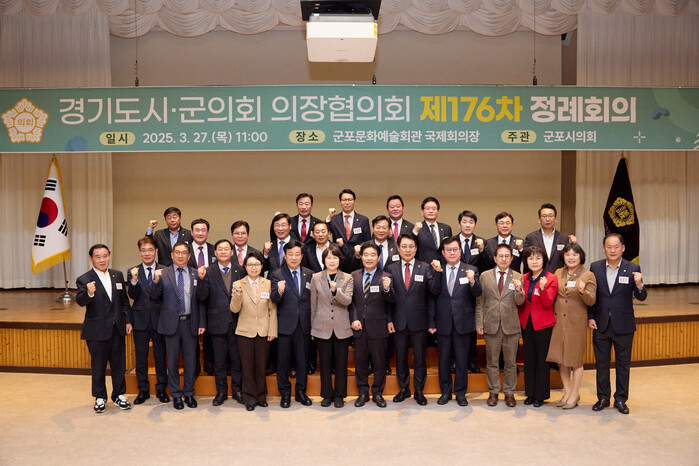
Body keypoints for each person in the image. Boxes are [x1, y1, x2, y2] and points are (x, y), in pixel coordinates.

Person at [588, 233, 647, 414]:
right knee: (601, 364)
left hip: (624, 324)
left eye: (616, 246)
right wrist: (590, 317)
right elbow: (592, 295)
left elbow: (641, 297)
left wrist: (639, 284)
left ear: (623, 248)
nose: (612, 250)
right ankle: (603, 398)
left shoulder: (633, 268)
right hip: (600, 324)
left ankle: (621, 399)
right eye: (609, 246)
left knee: (623, 366)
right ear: (603, 248)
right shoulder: (595, 267)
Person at [384, 233, 442, 405]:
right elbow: (388, 299)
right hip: (399, 320)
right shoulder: (391, 268)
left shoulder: (425, 267)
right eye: (404, 246)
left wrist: (438, 273)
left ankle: (418, 390)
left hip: (419, 321)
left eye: (411, 246)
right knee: (401, 357)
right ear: (398, 248)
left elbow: (434, 292)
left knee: (419, 358)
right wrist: (389, 319)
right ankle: (404, 389)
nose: (407, 250)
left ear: (416, 248)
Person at [76, 244, 132, 413]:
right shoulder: (84, 279)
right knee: (98, 366)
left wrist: (128, 321)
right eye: (98, 257)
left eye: (105, 256)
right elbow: (80, 301)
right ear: (91, 258)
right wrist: (89, 293)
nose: (102, 260)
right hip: (97, 330)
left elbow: (124, 301)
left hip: (117, 328)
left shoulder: (117, 275)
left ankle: (119, 395)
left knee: (119, 364)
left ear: (109, 256)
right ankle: (100, 397)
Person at [150, 241, 205, 410]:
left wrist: (201, 322)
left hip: (190, 323)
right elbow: (154, 296)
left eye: (184, 253)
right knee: (172, 361)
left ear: (189, 256)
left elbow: (201, 300)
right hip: (170, 324)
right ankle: (176, 395)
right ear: (172, 255)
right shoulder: (163, 273)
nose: (180, 256)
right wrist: (155, 281)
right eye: (177, 253)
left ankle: (188, 393)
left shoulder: (195, 273)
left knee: (190, 361)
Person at [429, 236, 480, 406]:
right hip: (443, 321)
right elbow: (433, 293)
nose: (452, 253)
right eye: (448, 250)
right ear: (443, 253)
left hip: (463, 321)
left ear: (460, 251)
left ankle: (460, 393)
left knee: (461, 359)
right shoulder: (437, 269)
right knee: (443, 359)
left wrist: (472, 282)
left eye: (455, 249)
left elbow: (477, 294)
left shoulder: (471, 269)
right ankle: (445, 392)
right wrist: (437, 274)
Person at [546, 243, 597, 409]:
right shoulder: (558, 272)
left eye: (575, 255)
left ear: (581, 256)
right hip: (559, 320)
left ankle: (575, 394)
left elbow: (592, 300)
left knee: (575, 360)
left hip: (577, 321)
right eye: (568, 255)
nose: (571, 258)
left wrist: (583, 291)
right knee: (561, 359)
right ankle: (567, 392)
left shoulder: (588, 275)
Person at [196, 239, 246, 406]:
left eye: (226, 249)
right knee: (219, 361)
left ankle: (237, 390)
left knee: (237, 360)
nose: (223, 252)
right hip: (216, 323)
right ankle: (221, 392)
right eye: (220, 249)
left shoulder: (240, 270)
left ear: (232, 252)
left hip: (237, 322)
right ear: (215, 252)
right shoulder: (208, 271)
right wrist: (201, 279)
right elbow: (202, 297)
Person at [475, 244, 525, 408]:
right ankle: (493, 392)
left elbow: (520, 302)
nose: (504, 259)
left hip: (511, 326)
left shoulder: (518, 276)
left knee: (511, 363)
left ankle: (510, 393)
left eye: (507, 256)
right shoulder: (485, 276)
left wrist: (519, 290)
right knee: (492, 362)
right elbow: (480, 302)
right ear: (495, 258)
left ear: (511, 258)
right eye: (500, 256)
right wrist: (479, 322)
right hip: (491, 324)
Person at [230, 251, 278, 411]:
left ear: (262, 266)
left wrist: (272, 331)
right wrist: (237, 294)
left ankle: (261, 396)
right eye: (250, 264)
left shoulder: (268, 283)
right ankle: (249, 398)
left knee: (261, 366)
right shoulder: (238, 284)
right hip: (244, 332)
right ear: (245, 266)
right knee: (247, 367)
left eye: (257, 264)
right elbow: (234, 309)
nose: (254, 267)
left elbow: (272, 309)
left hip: (264, 331)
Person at [349, 242, 396, 408]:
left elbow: (391, 301)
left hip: (379, 326)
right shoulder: (353, 276)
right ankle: (362, 392)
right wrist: (353, 318)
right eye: (366, 255)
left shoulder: (387, 276)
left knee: (379, 362)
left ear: (378, 257)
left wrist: (388, 289)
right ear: (361, 257)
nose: (369, 258)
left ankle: (377, 393)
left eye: (372, 255)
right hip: (359, 326)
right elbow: (350, 302)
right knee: (360, 362)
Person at [270, 240, 314, 408]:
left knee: (302, 361)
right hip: (284, 325)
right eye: (290, 254)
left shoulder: (310, 274)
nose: (294, 257)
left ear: (301, 256)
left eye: (297, 254)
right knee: (283, 362)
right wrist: (279, 292)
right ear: (285, 256)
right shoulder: (276, 274)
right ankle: (285, 393)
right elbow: (273, 299)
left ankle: (301, 392)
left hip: (304, 324)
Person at [309, 245, 354, 408]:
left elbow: (347, 301)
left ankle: (340, 395)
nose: (332, 261)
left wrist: (336, 291)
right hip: (322, 326)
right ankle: (326, 395)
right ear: (324, 260)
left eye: (335, 257)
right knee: (325, 364)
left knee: (341, 364)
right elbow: (313, 304)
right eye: (329, 258)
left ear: (339, 260)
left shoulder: (348, 278)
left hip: (342, 326)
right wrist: (312, 327)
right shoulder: (316, 277)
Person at [127, 237, 169, 405]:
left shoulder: (164, 270)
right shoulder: (133, 271)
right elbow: (133, 295)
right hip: (140, 320)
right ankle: (143, 390)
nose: (147, 253)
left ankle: (161, 389)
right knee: (141, 358)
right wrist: (134, 281)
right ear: (139, 252)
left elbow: (165, 295)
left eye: (150, 250)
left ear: (156, 251)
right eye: (143, 250)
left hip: (159, 319)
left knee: (160, 356)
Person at [519, 246, 558, 407]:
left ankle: (540, 395)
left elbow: (548, 302)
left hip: (543, 323)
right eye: (530, 258)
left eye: (538, 258)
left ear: (544, 260)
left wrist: (542, 288)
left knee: (542, 360)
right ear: (526, 261)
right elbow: (521, 301)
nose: (534, 262)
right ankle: (530, 393)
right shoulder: (524, 277)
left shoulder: (551, 278)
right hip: (526, 322)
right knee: (529, 359)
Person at [457, 210, 488, 373]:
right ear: (459, 224)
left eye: (471, 222)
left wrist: (482, 250)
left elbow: (489, 264)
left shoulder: (481, 243)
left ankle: (471, 361)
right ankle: (455, 361)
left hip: (473, 290)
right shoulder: (452, 242)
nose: (468, 225)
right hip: (455, 290)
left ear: (475, 225)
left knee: (471, 328)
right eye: (465, 222)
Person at [188, 218, 216, 376]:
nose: (200, 233)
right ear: (192, 232)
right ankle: (194, 366)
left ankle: (209, 364)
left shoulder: (214, 249)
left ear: (208, 232)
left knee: (210, 333)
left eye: (203, 230)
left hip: (211, 297)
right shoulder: (184, 250)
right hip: (190, 296)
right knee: (192, 333)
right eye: (197, 230)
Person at [523, 204, 577, 273]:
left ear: (555, 219)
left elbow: (570, 258)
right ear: (539, 220)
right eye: (544, 216)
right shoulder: (531, 237)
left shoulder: (564, 238)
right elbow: (526, 260)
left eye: (550, 216)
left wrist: (574, 244)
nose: (547, 219)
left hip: (558, 276)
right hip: (537, 276)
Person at [328, 189, 372, 271]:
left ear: (354, 201)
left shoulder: (363, 220)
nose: (347, 202)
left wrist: (359, 250)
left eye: (350, 200)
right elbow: (324, 233)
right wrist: (328, 218)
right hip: (339, 262)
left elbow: (368, 241)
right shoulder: (334, 219)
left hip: (357, 261)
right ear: (340, 202)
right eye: (344, 200)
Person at [415, 196, 452, 264]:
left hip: (443, 266)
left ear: (437, 212)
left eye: (434, 209)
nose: (431, 211)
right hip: (424, 267)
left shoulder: (446, 228)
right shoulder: (417, 228)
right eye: (427, 208)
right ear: (422, 212)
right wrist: (414, 232)